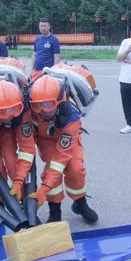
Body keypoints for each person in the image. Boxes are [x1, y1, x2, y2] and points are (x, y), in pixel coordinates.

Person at [28, 75, 98, 224]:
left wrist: (43, 189)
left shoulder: (71, 115)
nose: (42, 110)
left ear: (59, 101)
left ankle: (80, 203)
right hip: (46, 141)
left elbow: (62, 157)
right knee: (50, 172)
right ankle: (55, 211)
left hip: (67, 139)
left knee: (75, 169)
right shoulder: (31, 110)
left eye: (48, 104)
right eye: (38, 105)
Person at [0, 81, 36, 203]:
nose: (9, 116)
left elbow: (27, 148)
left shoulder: (23, 110)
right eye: (4, 112)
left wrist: (18, 181)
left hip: (9, 132)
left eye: (13, 110)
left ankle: (23, 201)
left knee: (12, 163)